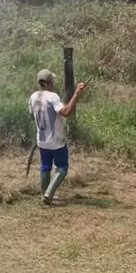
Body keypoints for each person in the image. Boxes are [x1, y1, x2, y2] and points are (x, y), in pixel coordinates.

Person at [29, 69, 85, 205]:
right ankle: (48, 194)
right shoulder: (52, 97)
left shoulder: (33, 97)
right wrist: (76, 94)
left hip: (42, 140)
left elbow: (31, 115)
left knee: (45, 167)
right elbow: (66, 112)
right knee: (62, 166)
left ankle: (44, 194)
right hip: (56, 141)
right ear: (50, 82)